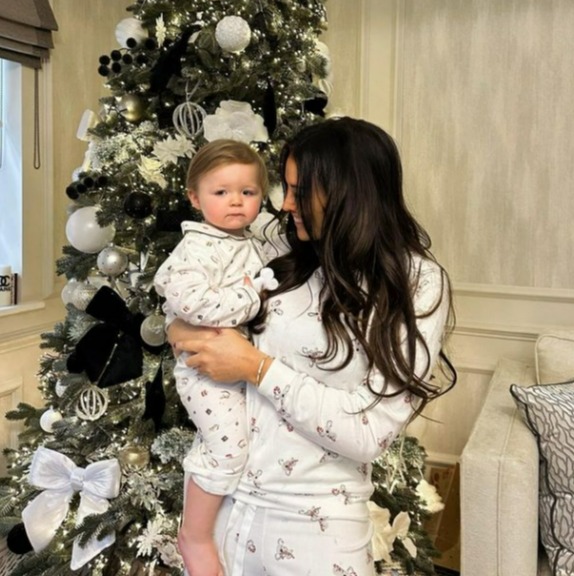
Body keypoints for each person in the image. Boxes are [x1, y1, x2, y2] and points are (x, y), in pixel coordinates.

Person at [168, 117, 456, 576]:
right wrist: (180, 331)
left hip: (317, 527)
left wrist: (255, 367)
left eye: (300, 191)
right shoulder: (278, 247)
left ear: (349, 192)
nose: (284, 204)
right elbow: (194, 296)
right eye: (285, 187)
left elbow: (368, 433)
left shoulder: (415, 282)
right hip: (227, 508)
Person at [154, 139, 281, 576]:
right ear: (194, 197)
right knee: (228, 451)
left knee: (242, 446)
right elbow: (195, 307)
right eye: (221, 192)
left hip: (240, 367)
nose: (236, 202)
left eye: (247, 193)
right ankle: (195, 536)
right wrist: (253, 295)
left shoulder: (251, 242)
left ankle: (227, 532)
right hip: (205, 372)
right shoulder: (195, 249)